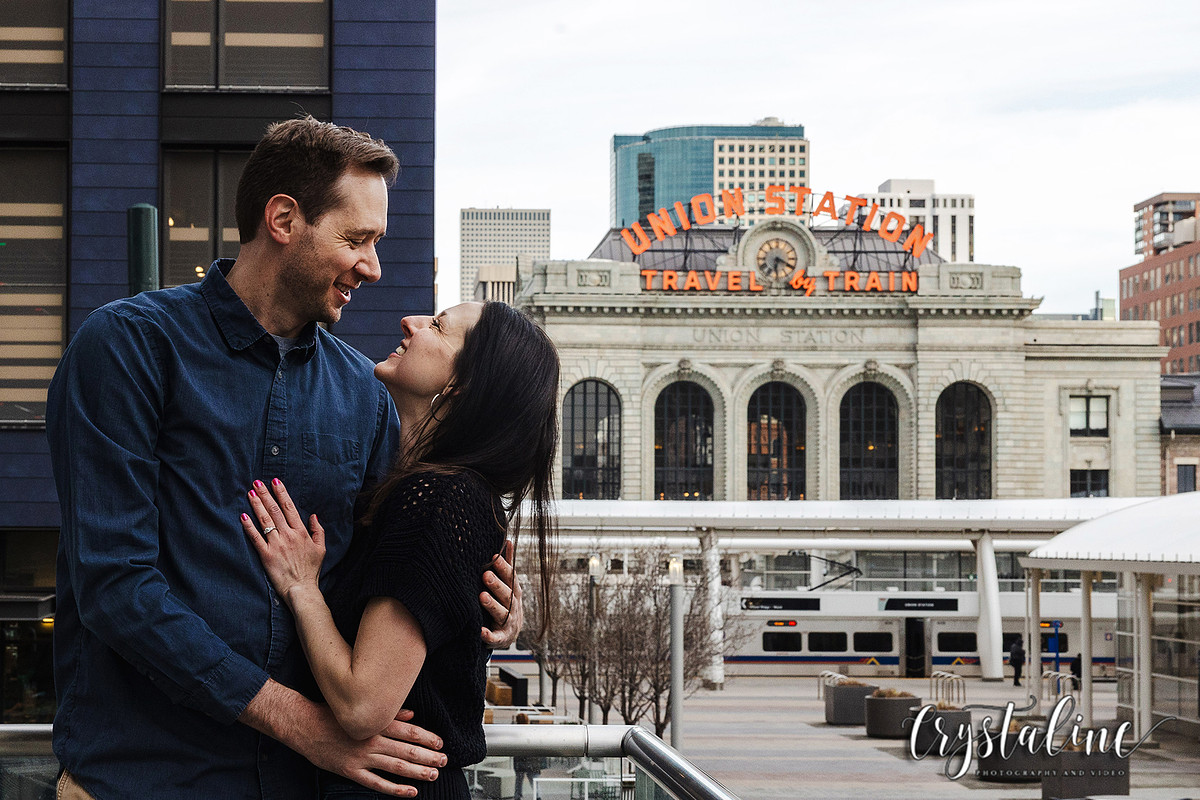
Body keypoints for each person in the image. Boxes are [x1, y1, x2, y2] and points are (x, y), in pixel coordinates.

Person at [46, 117, 521, 800]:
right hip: (141, 780)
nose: (373, 267)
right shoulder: (127, 348)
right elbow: (116, 587)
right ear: (284, 220)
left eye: (377, 243)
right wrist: (303, 725)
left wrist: (480, 608)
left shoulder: (365, 394)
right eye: (356, 239)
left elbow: (387, 580)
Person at [241, 300, 559, 799]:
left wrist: (302, 588)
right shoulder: (429, 490)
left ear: (461, 386)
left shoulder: (437, 497)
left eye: (437, 326)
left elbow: (362, 705)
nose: (409, 321)